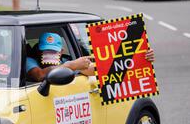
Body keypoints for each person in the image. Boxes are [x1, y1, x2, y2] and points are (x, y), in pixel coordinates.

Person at [26, 32, 156, 82]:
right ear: (38, 50)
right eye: (45, 51)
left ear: (61, 51)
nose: (49, 55)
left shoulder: (67, 60)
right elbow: (39, 75)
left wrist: (140, 57)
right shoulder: (30, 61)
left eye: (53, 51)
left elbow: (100, 69)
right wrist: (71, 66)